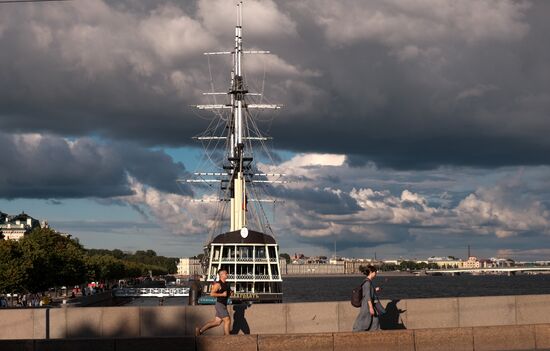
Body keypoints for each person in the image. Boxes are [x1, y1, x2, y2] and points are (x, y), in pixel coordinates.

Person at [196, 268, 232, 336]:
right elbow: (212, 294)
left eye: (227, 273)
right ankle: (227, 337)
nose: (227, 274)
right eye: (226, 273)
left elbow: (227, 293)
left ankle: (200, 330)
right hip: (220, 305)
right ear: (221, 275)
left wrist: (231, 293)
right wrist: (222, 294)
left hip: (223, 305)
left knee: (217, 322)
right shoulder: (218, 284)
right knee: (227, 320)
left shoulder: (227, 284)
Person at [353, 265, 381, 332]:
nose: (376, 273)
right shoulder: (367, 283)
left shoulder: (368, 282)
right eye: (375, 272)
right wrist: (371, 307)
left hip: (368, 304)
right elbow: (368, 296)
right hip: (367, 305)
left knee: (375, 320)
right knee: (363, 319)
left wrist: (374, 290)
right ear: (371, 272)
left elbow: (367, 292)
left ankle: (375, 332)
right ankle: (356, 331)